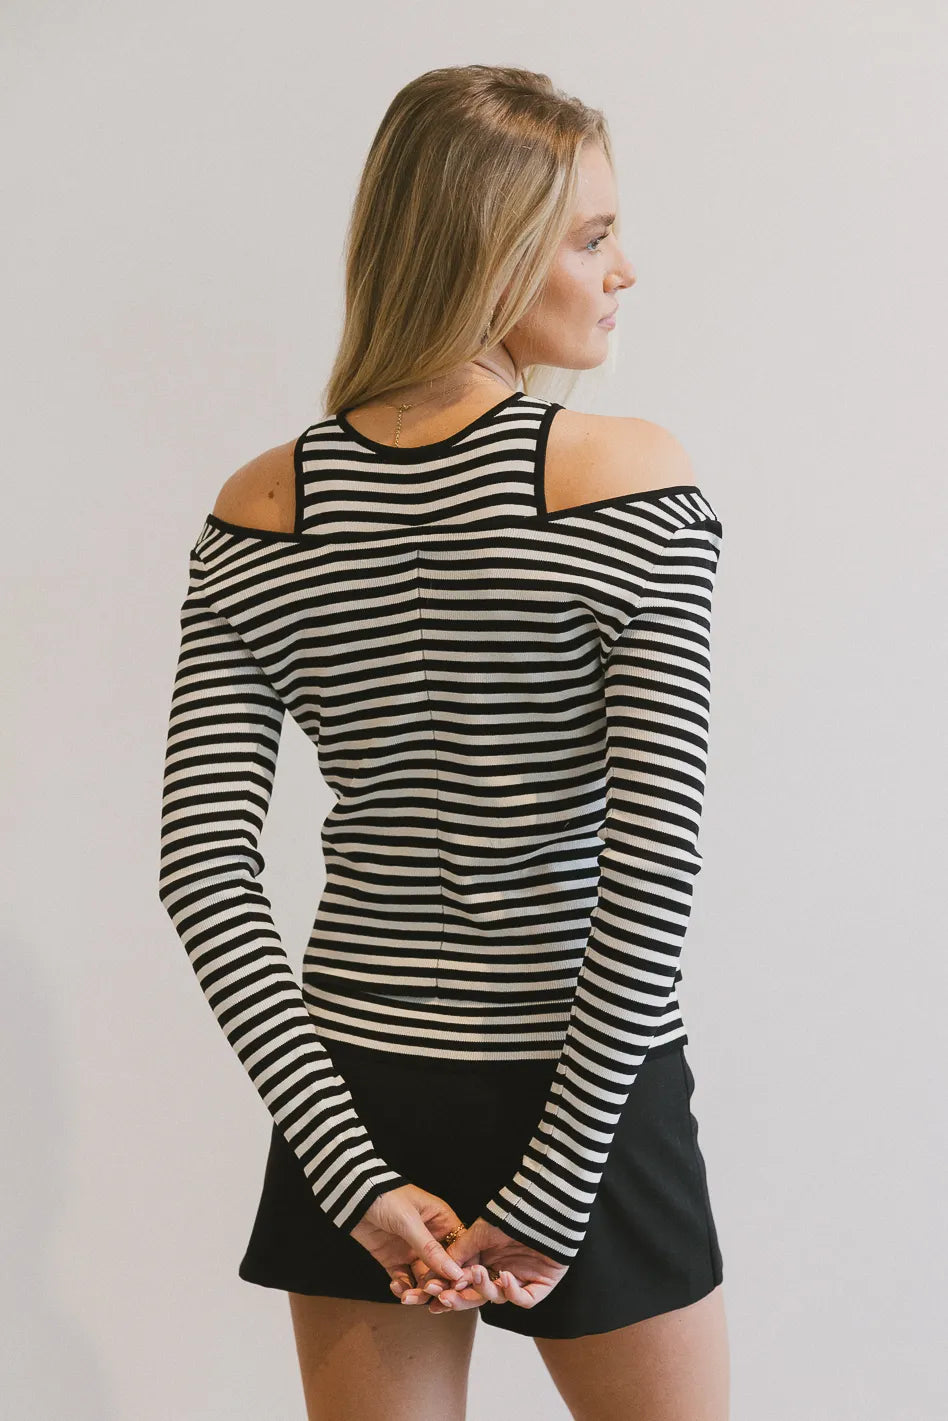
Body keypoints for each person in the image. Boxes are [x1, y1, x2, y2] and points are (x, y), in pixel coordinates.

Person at [158, 64, 730, 1420]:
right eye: (592, 237)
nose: (624, 271)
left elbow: (202, 868)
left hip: (352, 1085)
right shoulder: (628, 480)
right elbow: (651, 860)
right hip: (589, 1089)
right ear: (493, 249)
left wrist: (346, 1172)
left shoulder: (264, 509)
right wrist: (562, 1179)